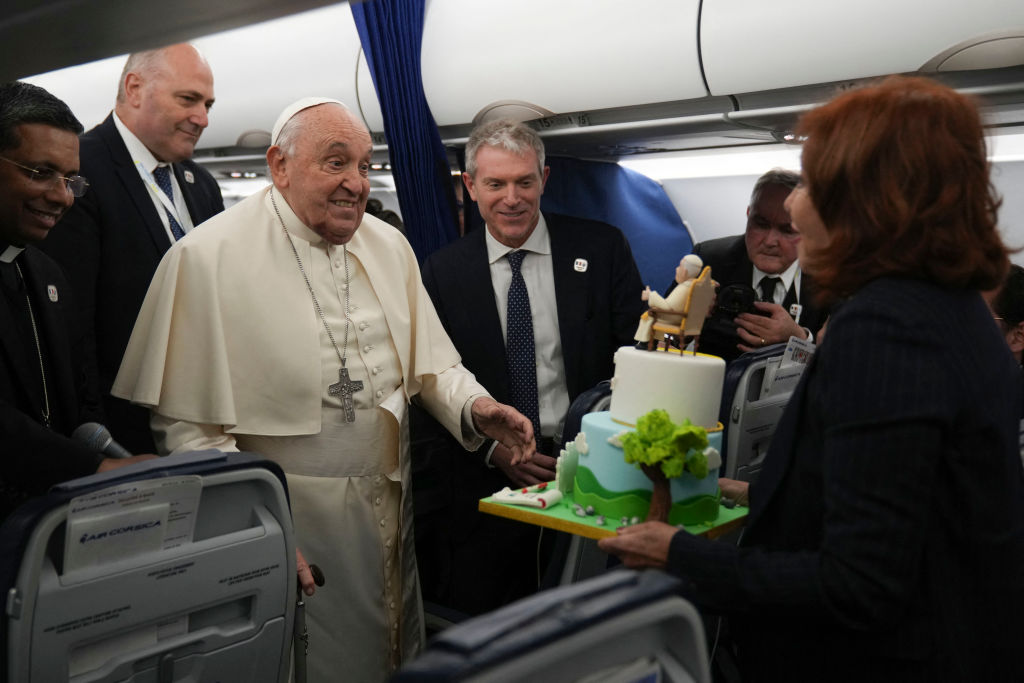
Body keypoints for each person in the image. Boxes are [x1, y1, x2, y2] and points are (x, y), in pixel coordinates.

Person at [599, 76, 1024, 682]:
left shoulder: (884, 331)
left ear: (865, 203)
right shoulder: (954, 310)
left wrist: (677, 553)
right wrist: (765, 496)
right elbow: (912, 507)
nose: (795, 208)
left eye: (812, 185)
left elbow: (860, 585)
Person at [111, 98, 535, 681]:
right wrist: (260, 531)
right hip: (290, 520)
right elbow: (190, 428)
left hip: (391, 506)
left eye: (364, 166)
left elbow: (431, 368)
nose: (356, 184)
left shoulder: (389, 245)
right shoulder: (207, 258)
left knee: (395, 651)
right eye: (336, 163)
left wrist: (476, 407)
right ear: (278, 165)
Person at [415, 118, 645, 615]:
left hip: (589, 471)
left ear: (545, 178)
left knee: (585, 617)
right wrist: (489, 449)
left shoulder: (601, 249)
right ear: (471, 186)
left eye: (524, 181)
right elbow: (430, 386)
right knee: (498, 625)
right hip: (488, 485)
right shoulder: (442, 271)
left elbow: (635, 358)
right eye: (495, 184)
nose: (511, 198)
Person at [40, 44, 224, 456]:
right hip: (122, 427)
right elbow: (73, 321)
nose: (203, 118)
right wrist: (95, 433)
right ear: (135, 88)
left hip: (202, 415)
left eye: (208, 104)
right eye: (189, 99)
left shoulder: (202, 185)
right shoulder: (79, 168)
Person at [0, 82, 155, 520]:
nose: (62, 196)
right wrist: (92, 466)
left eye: (70, 179)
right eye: (39, 172)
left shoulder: (49, 276)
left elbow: (79, 395)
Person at [691, 168, 828, 361]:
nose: (771, 241)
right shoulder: (709, 261)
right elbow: (654, 335)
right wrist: (687, 320)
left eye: (787, 230)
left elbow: (837, 367)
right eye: (761, 224)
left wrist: (799, 338)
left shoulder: (829, 279)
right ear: (748, 215)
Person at [634, 254, 704, 346]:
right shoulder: (693, 285)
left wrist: (650, 295)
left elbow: (667, 307)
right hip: (680, 316)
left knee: (649, 316)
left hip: (675, 317)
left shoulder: (684, 288)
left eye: (680, 266)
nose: (676, 269)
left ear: (685, 272)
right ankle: (654, 340)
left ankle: (646, 342)